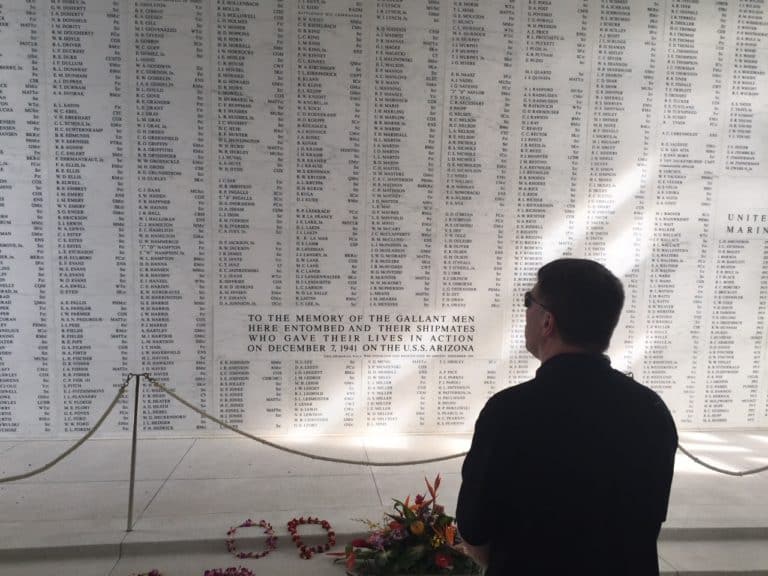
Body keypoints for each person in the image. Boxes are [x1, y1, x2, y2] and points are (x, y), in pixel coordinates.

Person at [456, 258, 678, 575]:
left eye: (528, 301)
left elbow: (475, 532)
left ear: (548, 322)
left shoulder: (509, 412)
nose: (525, 311)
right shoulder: (652, 410)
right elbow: (647, 522)